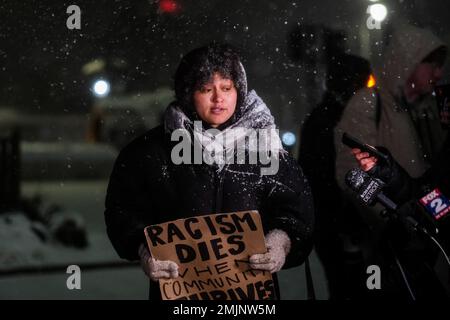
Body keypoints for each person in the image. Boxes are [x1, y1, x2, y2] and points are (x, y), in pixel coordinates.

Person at [104, 44, 314, 300]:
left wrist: (281, 242)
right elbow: (123, 211)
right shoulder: (150, 152)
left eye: (227, 88)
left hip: (250, 299)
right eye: (206, 89)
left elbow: (296, 212)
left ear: (240, 90)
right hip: (182, 299)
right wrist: (144, 247)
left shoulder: (266, 147)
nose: (219, 99)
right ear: (187, 93)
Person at [334, 23, 448, 298]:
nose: (438, 73)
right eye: (430, 63)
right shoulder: (369, 104)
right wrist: (393, 220)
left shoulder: (426, 110)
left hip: (431, 234)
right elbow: (351, 172)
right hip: (393, 241)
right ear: (407, 60)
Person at [299, 54, 372, 299]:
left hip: (337, 224)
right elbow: (323, 178)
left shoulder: (325, 117)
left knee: (346, 286)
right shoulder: (334, 120)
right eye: (364, 82)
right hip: (341, 225)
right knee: (353, 287)